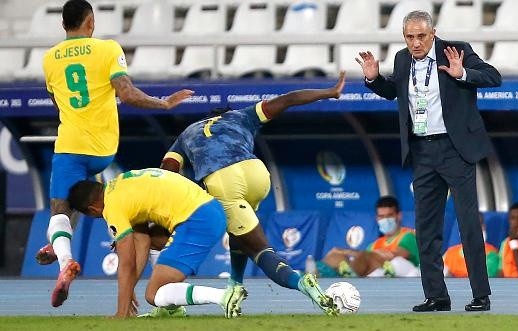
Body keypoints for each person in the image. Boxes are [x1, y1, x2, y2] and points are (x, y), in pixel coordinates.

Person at [37, 0, 193, 308]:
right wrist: (163, 104)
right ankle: (159, 280)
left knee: (60, 209)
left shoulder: (49, 59)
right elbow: (128, 93)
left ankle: (65, 258)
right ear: (90, 22)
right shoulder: (107, 49)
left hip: (70, 144)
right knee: (90, 199)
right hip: (104, 149)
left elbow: (58, 105)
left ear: (63, 25)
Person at [156, 72, 346, 316]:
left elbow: (167, 173)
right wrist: (330, 92)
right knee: (240, 232)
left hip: (222, 180)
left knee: (259, 250)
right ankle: (235, 284)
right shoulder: (242, 115)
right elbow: (288, 99)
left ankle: (301, 283)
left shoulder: (186, 134)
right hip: (256, 172)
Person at [356, 10, 501, 312]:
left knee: (468, 223)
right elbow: (394, 92)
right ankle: (437, 296)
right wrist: (373, 79)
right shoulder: (401, 58)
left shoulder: (455, 51)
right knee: (425, 227)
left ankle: (480, 295)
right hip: (421, 150)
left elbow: (493, 77)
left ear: (433, 33)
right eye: (410, 37)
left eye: (421, 36)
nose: (416, 42)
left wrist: (462, 74)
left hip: (455, 148)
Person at [66, 168, 246, 318]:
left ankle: (224, 296)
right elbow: (142, 241)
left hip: (197, 220)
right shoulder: (120, 183)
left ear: (92, 209)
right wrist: (128, 290)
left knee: (154, 294)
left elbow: (127, 263)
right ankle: (171, 310)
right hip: (207, 209)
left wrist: (121, 312)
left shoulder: (112, 206)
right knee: (149, 239)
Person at [318, 196, 420, 278]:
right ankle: (314, 275)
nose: (385, 220)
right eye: (381, 216)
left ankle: (347, 276)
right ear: (377, 218)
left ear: (399, 216)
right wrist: (342, 252)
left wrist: (349, 252)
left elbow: (393, 255)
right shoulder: (375, 244)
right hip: (372, 273)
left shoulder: (408, 235)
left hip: (400, 273)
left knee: (366, 256)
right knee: (336, 256)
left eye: (389, 216)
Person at [443, 213, 499, 278]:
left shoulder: (491, 253)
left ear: (483, 227)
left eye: (477, 225)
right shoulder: (450, 253)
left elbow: (482, 279)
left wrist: (451, 276)